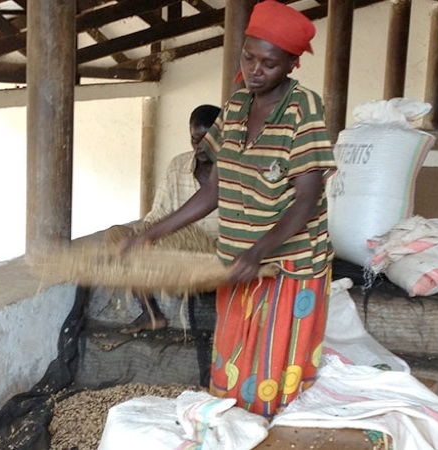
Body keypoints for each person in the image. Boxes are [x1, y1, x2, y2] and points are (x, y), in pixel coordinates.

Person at [123, 0, 336, 420]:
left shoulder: (303, 109)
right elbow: (214, 190)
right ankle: (239, 433)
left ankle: (271, 436)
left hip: (288, 267)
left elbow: (307, 199)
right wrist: (151, 233)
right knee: (234, 364)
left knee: (273, 375)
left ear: (291, 64)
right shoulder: (236, 106)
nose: (255, 70)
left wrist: (258, 252)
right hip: (238, 261)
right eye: (248, 57)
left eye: (269, 64)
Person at [106, 104, 221, 333]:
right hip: (176, 255)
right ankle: (151, 314)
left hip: (215, 259)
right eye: (195, 140)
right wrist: (143, 239)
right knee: (116, 235)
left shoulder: (235, 170)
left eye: (207, 140)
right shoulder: (178, 166)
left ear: (221, 138)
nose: (200, 147)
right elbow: (156, 216)